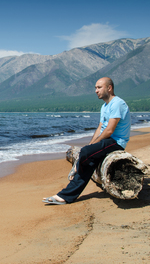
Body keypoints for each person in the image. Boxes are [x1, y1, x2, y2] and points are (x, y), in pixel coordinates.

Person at [43, 77, 131, 205]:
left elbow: (109, 131)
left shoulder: (117, 103)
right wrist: (91, 145)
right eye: (95, 88)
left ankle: (76, 168)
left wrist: (90, 148)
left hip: (116, 142)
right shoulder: (105, 106)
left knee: (85, 153)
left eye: (99, 87)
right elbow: (101, 127)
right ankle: (66, 196)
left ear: (109, 88)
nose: (96, 90)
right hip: (107, 141)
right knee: (88, 161)